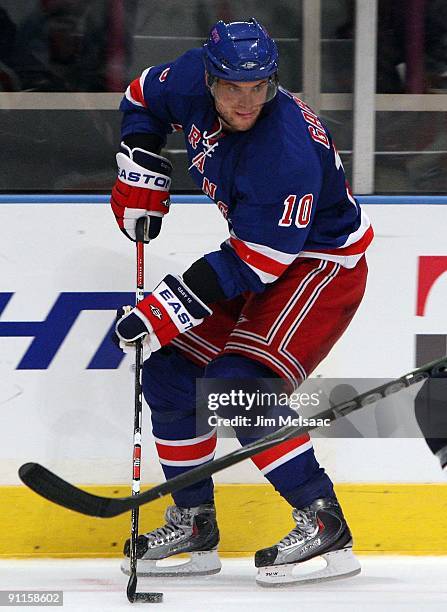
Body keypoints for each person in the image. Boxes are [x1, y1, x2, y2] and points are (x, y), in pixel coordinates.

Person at [110, 17, 372, 586]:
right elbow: (139, 99)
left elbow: (259, 263)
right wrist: (141, 166)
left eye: (259, 88)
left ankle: (324, 523)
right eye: (232, 87)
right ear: (209, 77)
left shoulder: (285, 152)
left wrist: (162, 310)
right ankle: (195, 523)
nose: (246, 101)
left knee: (238, 386)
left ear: (272, 80)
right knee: (170, 376)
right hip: (260, 254)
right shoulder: (188, 78)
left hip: (319, 266)